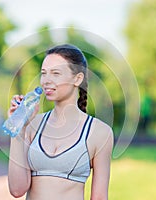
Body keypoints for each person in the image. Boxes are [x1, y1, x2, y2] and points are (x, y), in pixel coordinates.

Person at [7, 44, 114, 200]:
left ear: (77, 79)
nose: (46, 81)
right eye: (44, 73)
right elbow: (17, 190)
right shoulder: (31, 125)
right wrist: (18, 128)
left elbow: (99, 197)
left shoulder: (100, 133)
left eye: (56, 73)